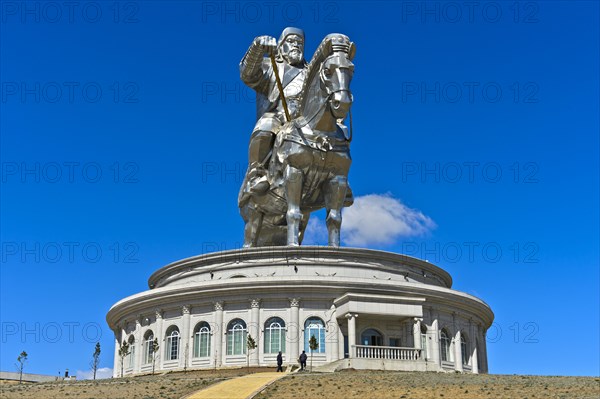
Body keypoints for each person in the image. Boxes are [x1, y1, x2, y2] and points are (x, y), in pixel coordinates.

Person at [239, 27, 308, 195]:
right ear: (281, 45)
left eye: (300, 43)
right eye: (291, 41)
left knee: (337, 132)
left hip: (306, 122)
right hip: (279, 118)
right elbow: (247, 74)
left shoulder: (311, 71)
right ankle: (257, 173)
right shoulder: (270, 65)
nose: (296, 46)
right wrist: (257, 47)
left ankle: (337, 178)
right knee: (266, 124)